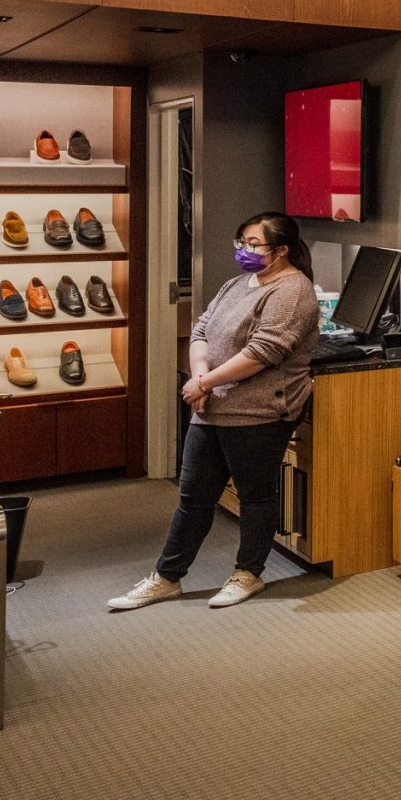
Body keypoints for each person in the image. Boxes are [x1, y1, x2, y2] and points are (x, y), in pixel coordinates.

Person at [109, 212, 320, 612]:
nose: (245, 251)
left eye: (254, 244)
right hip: (211, 409)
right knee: (193, 499)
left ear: (282, 250)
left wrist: (203, 384)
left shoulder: (292, 290)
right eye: (241, 242)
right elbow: (201, 331)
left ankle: (248, 573)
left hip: (258, 414)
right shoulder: (236, 284)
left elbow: (263, 352)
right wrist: (202, 376)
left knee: (256, 498)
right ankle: (167, 578)